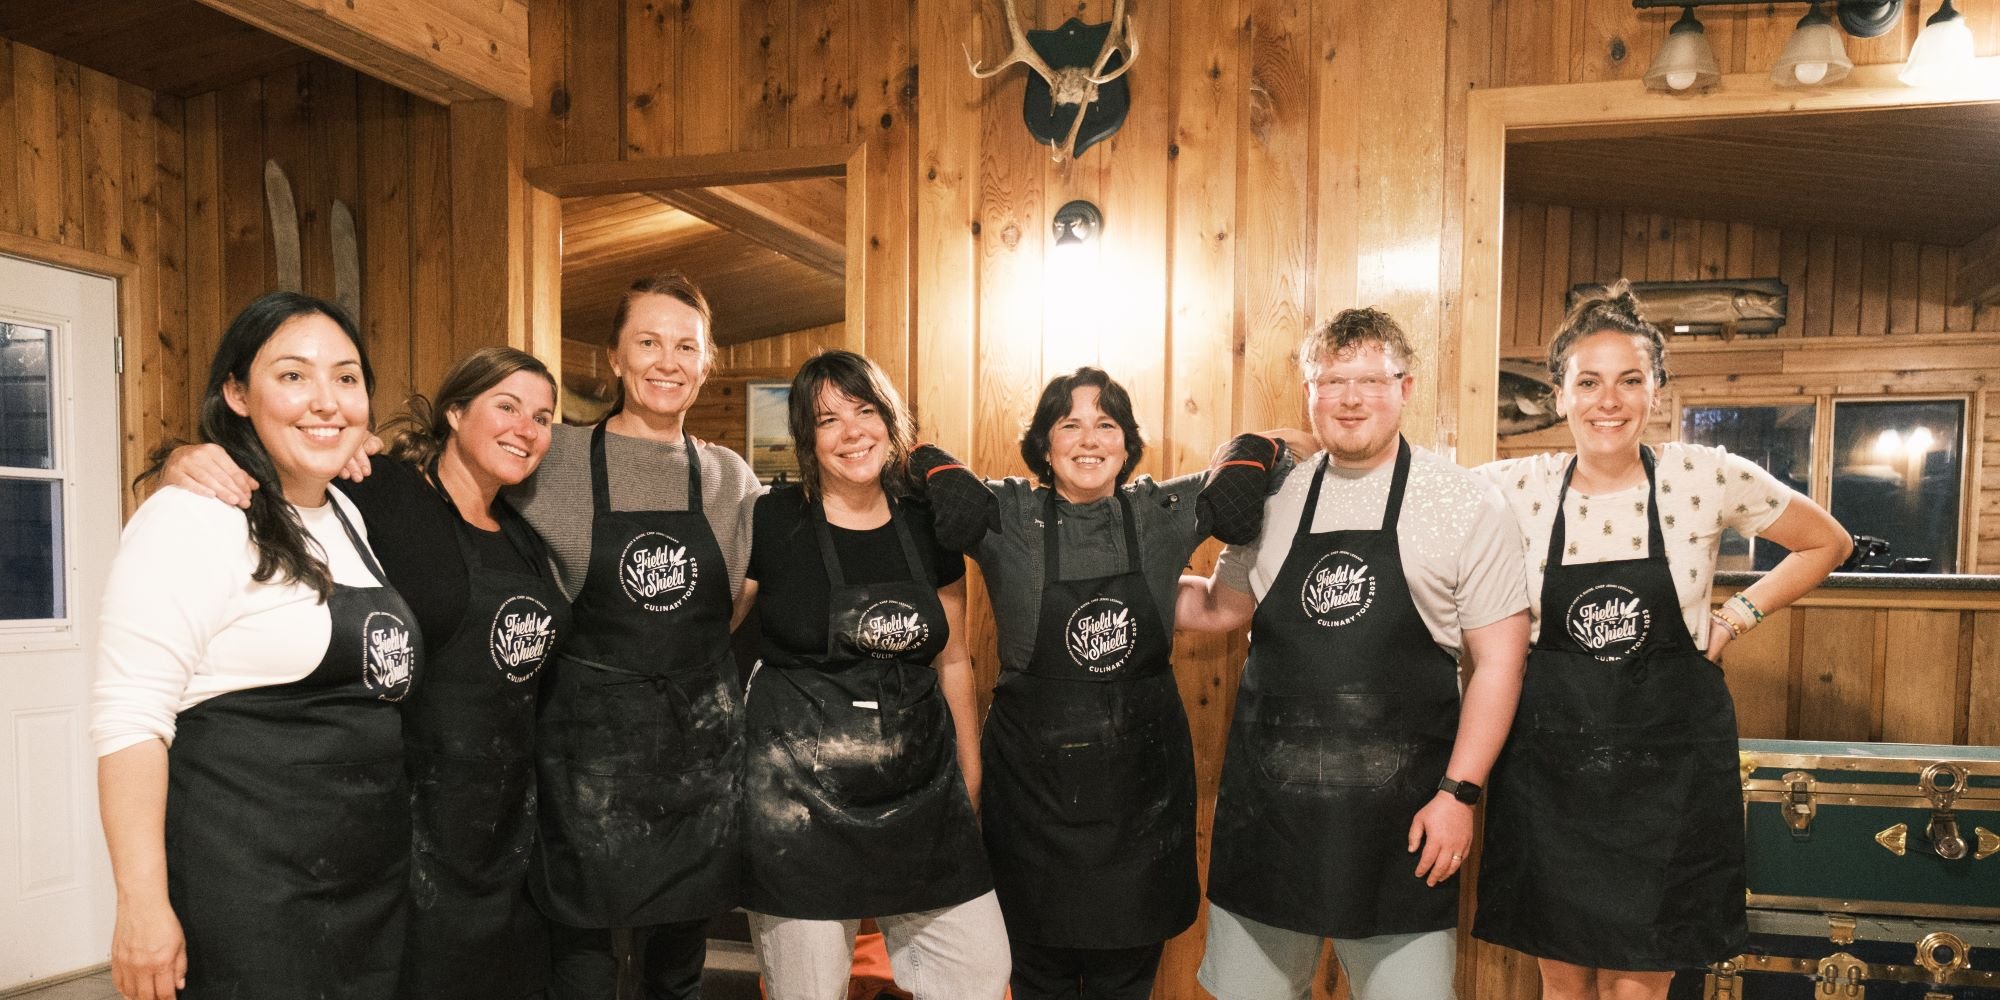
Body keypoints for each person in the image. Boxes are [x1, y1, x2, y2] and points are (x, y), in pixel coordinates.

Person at [1471, 282, 1850, 1000]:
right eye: (1588, 382)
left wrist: (1739, 615)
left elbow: (1826, 542)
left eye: (1629, 381)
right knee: (1562, 986)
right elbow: (1410, 494)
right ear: (1560, 396)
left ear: (1655, 392)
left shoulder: (1704, 476)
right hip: (1553, 777)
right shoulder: (1512, 486)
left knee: (1636, 991)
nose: (1607, 401)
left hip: (1667, 780)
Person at [158, 347, 570, 1000]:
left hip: (503, 837)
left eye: (544, 418)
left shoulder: (523, 536)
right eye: (508, 407)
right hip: (407, 832)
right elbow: (275, 466)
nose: (527, 428)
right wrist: (188, 458)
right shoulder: (379, 489)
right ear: (456, 414)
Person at [1177, 307, 1532, 1000]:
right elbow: (1222, 608)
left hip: (1401, 830)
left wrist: (1459, 794)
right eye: (1331, 380)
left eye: (1370, 379)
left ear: (1405, 386)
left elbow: (1500, 663)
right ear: (1310, 391)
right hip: (1269, 825)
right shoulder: (1274, 498)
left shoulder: (1463, 503)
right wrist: (1118, 577)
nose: (1349, 397)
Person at [912, 367, 1294, 1000]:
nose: (1088, 440)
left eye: (1105, 424)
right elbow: (890, 470)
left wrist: (1255, 447)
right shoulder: (1005, 514)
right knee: (1036, 977)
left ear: (1126, 442)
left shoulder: (1162, 511)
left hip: (1138, 807)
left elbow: (1293, 460)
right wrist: (924, 464)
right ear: (1043, 445)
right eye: (1069, 425)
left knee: (1126, 981)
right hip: (1032, 800)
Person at [92, 292, 417, 1000]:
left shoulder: (347, 514)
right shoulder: (193, 518)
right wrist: (141, 906)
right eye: (293, 376)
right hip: (251, 900)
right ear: (236, 392)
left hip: (367, 893)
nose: (326, 400)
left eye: (347, 377)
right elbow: (129, 721)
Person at [511, 272, 760, 1000]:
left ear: (707, 363)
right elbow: (446, 481)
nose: (667, 361)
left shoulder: (729, 477)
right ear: (613, 358)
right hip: (584, 757)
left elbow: (735, 600)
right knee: (582, 967)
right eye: (647, 342)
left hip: (697, 760)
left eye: (686, 346)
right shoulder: (550, 458)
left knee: (677, 968)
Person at [737, 349, 1010, 1000]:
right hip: (797, 807)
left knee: (977, 972)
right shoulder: (771, 521)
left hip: (921, 796)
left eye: (865, 410)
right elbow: (713, 630)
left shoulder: (926, 523)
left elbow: (951, 656)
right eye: (828, 419)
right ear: (806, 437)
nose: (852, 431)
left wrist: (968, 774)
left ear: (891, 420)